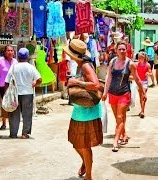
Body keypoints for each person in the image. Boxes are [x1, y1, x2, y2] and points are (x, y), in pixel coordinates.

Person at [63, 39, 103, 180]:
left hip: (87, 112)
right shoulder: (83, 64)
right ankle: (86, 163)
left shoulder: (86, 66)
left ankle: (89, 176)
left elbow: (96, 84)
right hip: (80, 109)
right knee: (77, 143)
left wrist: (76, 82)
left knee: (84, 145)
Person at [102, 40, 145, 152]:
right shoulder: (112, 62)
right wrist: (105, 92)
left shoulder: (130, 64)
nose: (122, 51)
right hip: (112, 93)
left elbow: (137, 79)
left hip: (124, 93)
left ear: (127, 50)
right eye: (120, 49)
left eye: (124, 49)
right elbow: (108, 77)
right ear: (116, 51)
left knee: (120, 117)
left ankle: (115, 141)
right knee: (118, 117)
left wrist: (143, 92)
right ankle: (124, 134)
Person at [4, 48, 42, 139]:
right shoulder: (31, 67)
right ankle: (25, 133)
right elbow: (40, 79)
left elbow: (6, 82)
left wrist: (6, 94)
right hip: (28, 93)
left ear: (18, 56)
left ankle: (13, 133)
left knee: (13, 114)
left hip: (15, 94)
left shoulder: (14, 67)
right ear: (27, 56)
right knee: (27, 114)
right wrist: (34, 84)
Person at [135, 52, 153, 118]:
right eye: (138, 57)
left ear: (144, 58)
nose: (139, 59)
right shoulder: (136, 65)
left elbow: (151, 73)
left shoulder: (147, 65)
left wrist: (148, 73)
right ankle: (142, 110)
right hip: (138, 82)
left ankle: (142, 111)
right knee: (141, 97)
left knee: (143, 96)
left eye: (141, 57)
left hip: (145, 82)